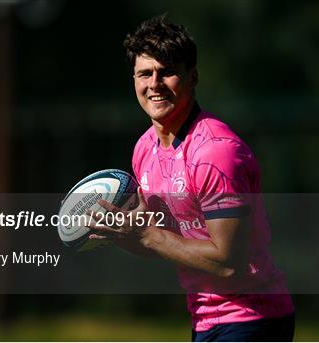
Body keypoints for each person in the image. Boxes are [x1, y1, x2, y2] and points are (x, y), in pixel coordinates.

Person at [88, 15, 295, 342]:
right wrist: (119, 233)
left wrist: (147, 235)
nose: (154, 83)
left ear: (192, 76)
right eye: (144, 73)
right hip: (203, 319)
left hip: (253, 316)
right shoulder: (144, 149)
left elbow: (229, 264)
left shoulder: (215, 153)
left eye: (167, 71)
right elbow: (163, 243)